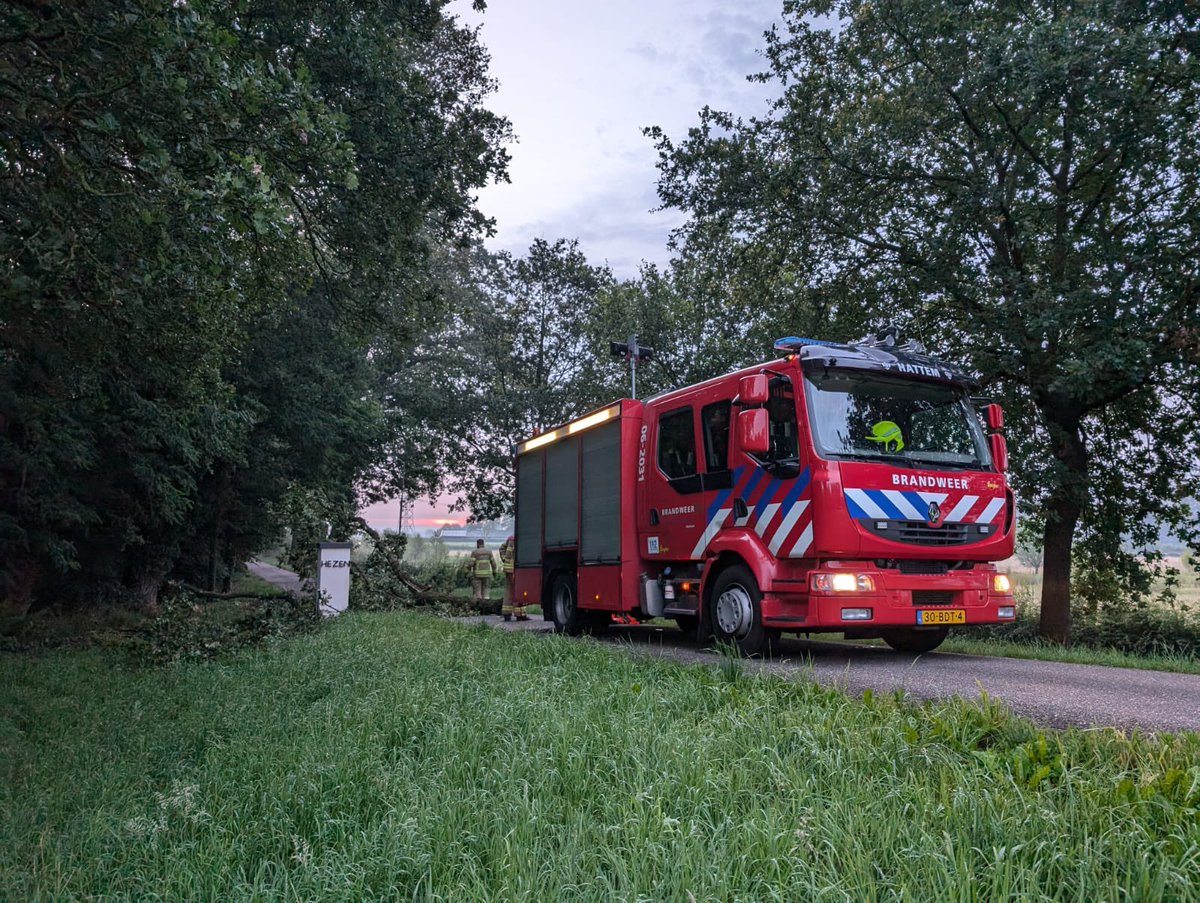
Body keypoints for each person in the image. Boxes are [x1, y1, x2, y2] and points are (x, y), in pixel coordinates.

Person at [498, 535, 524, 621]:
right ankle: (520, 614)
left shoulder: (510, 538)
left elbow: (501, 548)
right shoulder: (521, 539)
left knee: (509, 590)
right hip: (516, 569)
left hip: (508, 568)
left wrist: (505, 559)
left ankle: (506, 613)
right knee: (518, 590)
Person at [469, 538, 495, 603]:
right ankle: (486, 603)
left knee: (477, 590)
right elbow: (493, 563)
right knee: (486, 590)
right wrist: (494, 572)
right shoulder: (489, 552)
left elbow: (471, 564)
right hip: (487, 574)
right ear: (483, 544)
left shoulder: (475, 552)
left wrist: (467, 570)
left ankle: (478, 603)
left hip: (477, 575)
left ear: (477, 544)